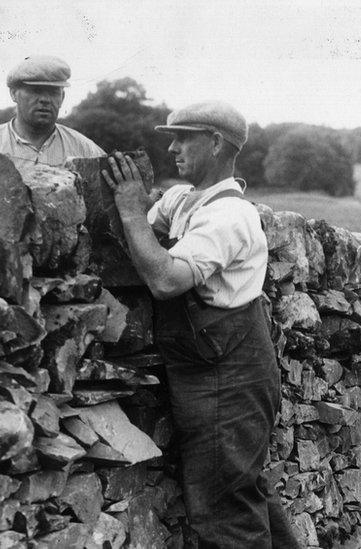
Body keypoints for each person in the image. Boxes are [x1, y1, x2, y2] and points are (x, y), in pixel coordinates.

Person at [100, 101, 300, 548]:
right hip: (211, 363)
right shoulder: (187, 200)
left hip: (230, 376)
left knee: (222, 509)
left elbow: (166, 279)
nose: (172, 148)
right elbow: (145, 232)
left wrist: (133, 213)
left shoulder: (230, 217)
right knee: (238, 489)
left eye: (183, 137)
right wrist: (140, 211)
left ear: (215, 143)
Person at [0, 55, 105, 171]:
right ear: (14, 94)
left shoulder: (85, 150)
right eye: (36, 90)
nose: (45, 99)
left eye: (53, 92)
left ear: (62, 98)